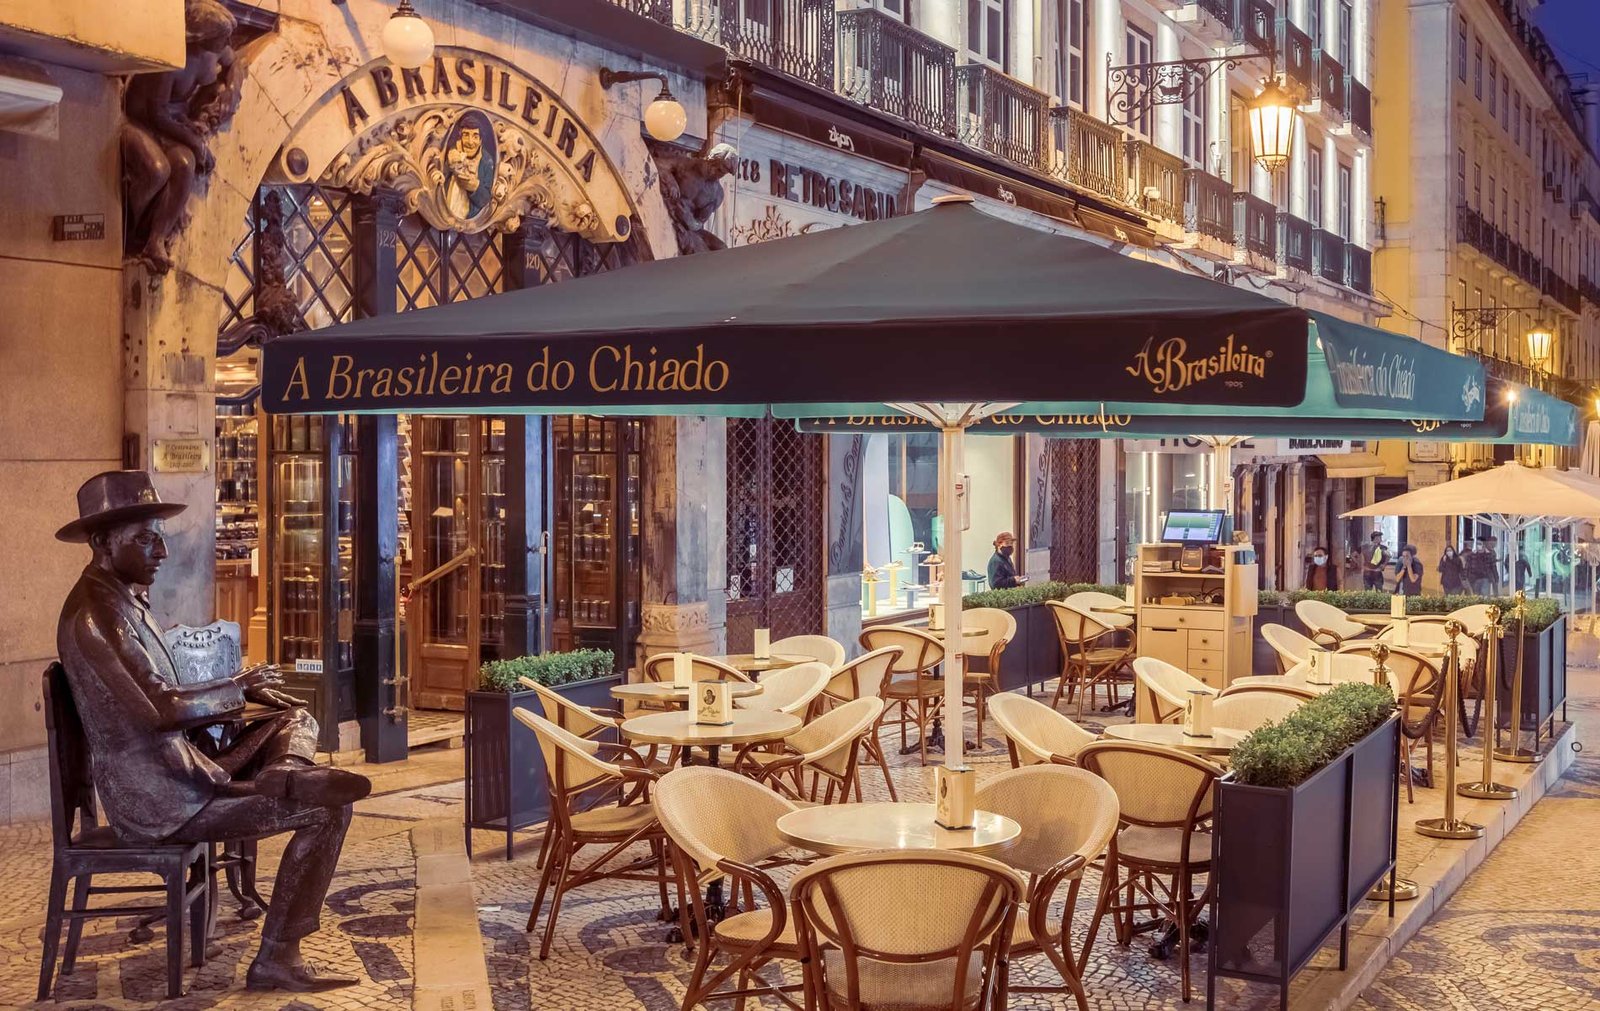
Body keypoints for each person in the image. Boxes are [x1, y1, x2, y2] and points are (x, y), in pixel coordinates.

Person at [55, 471, 370, 992]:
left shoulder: (121, 598)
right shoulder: (96, 613)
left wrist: (245, 697)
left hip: (181, 770)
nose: (161, 550)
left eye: (160, 536)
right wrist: (237, 687)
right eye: (146, 539)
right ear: (102, 544)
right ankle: (276, 957)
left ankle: (287, 770)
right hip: (159, 800)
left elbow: (164, 698)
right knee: (330, 810)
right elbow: (158, 708)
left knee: (292, 717)